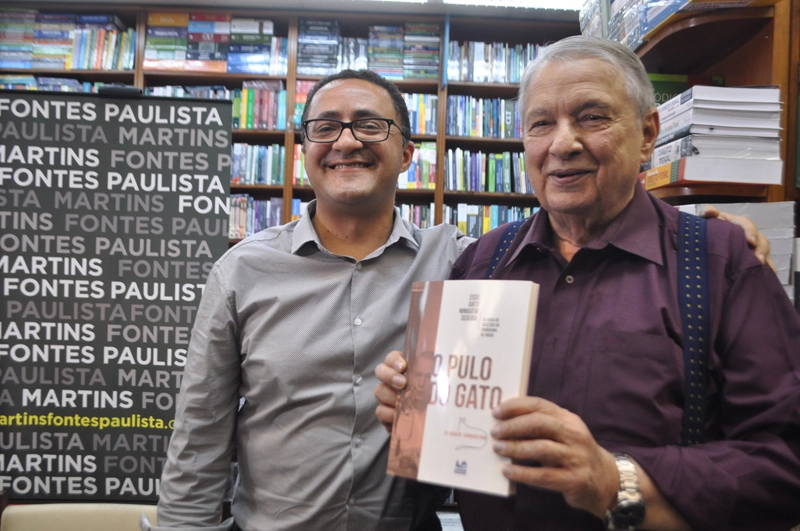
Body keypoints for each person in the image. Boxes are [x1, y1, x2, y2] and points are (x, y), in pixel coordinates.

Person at [143, 68, 773, 531]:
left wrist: (708, 235)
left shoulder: (468, 262)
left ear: (409, 156)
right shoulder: (242, 270)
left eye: (371, 124)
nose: (346, 141)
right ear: (303, 151)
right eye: (324, 126)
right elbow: (199, 436)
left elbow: (571, 225)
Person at [374, 36, 800, 531]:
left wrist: (613, 479)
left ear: (647, 134)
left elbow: (786, 460)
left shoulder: (720, 260)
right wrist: (418, 409)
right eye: (541, 124)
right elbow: (448, 442)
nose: (562, 143)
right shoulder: (483, 259)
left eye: (592, 117)